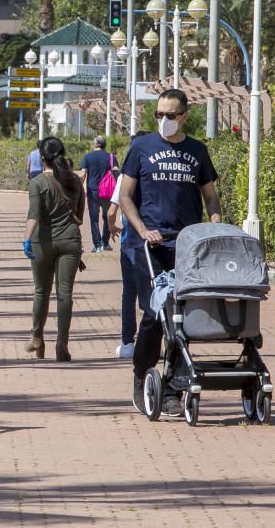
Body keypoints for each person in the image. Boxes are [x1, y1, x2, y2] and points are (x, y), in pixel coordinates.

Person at [119, 89, 221, 417]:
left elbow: (210, 197)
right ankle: (143, 373)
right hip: (149, 246)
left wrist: (214, 226)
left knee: (181, 317)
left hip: (187, 246)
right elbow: (125, 196)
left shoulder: (197, 151)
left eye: (170, 115)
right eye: (159, 114)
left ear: (185, 116)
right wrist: (140, 229)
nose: (164, 120)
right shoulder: (141, 148)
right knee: (154, 314)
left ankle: (175, 385)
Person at [22, 136, 85, 362]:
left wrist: (26, 239)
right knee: (65, 294)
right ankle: (62, 344)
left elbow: (34, 216)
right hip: (70, 241)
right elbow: (80, 216)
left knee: (41, 291)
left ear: (41, 157)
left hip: (43, 242)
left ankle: (37, 338)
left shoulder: (37, 182)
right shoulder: (76, 181)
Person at [107, 131, 150, 359]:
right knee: (155, 293)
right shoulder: (156, 172)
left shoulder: (126, 176)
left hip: (131, 245)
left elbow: (112, 210)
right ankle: (152, 341)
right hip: (156, 243)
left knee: (130, 292)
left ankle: (127, 342)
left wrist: (112, 228)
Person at [78, 136, 118, 253]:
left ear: (94, 144)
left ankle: (97, 245)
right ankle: (105, 243)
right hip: (108, 192)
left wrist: (77, 189)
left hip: (93, 191)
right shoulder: (111, 157)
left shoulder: (87, 157)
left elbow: (83, 175)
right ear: (104, 145)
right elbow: (116, 172)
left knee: (94, 219)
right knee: (107, 217)